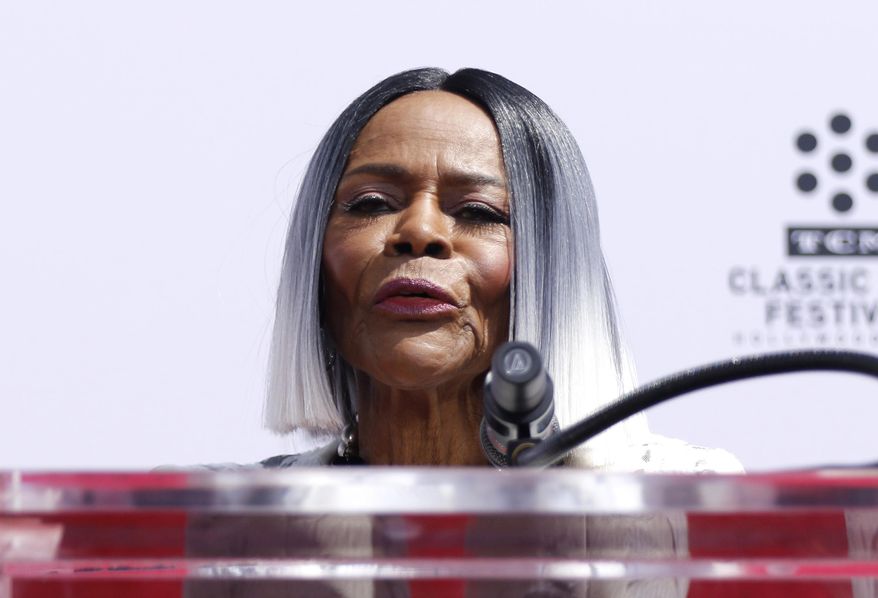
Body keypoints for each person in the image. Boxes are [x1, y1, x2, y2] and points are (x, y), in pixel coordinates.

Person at [263, 67, 741, 472]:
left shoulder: (680, 500)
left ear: (552, 268)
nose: (421, 230)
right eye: (370, 203)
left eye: (478, 211)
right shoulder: (240, 526)